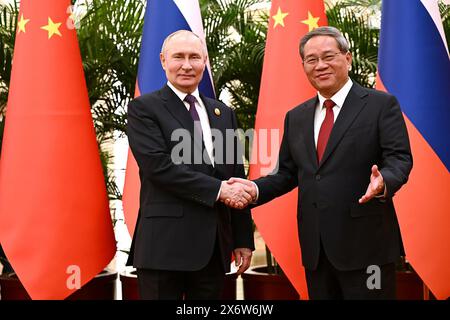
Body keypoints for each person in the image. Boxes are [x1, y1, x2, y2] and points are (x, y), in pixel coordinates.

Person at [226, 26, 413, 299]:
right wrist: (253, 190)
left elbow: (399, 158)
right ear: (303, 65)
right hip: (317, 250)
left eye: (329, 56)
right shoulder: (297, 117)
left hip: (367, 248)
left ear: (347, 58)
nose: (320, 65)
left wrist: (385, 180)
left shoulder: (380, 105)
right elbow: (288, 173)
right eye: (311, 60)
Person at [126, 30, 255, 300]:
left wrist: (243, 239)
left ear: (204, 61)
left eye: (195, 57)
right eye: (179, 57)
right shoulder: (144, 109)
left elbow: (236, 176)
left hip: (213, 249)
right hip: (163, 248)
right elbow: (158, 167)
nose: (187, 65)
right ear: (163, 60)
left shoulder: (223, 114)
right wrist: (219, 190)